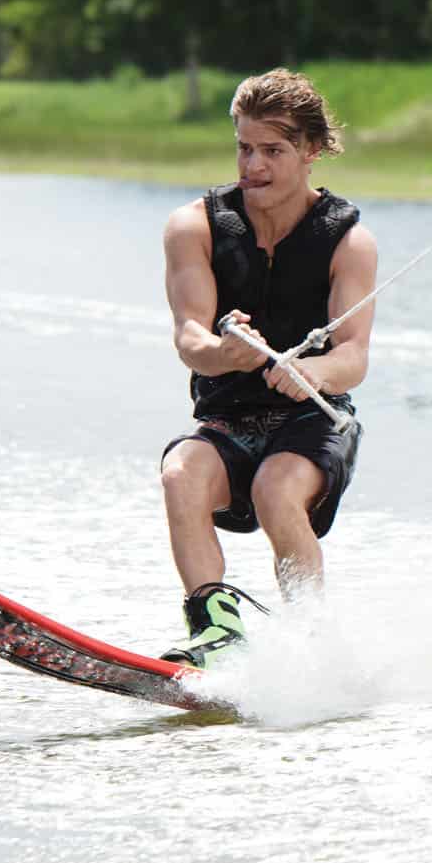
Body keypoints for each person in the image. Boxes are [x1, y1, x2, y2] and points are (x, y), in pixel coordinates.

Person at [157, 69, 379, 668]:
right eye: (244, 147)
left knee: (276, 489)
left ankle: (313, 643)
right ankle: (215, 628)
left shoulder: (348, 241)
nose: (252, 164)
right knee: (181, 473)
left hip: (313, 421)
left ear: (310, 151)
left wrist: (317, 372)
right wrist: (223, 354)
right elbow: (189, 335)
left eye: (272, 150)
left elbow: (354, 355)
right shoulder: (195, 226)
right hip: (230, 417)